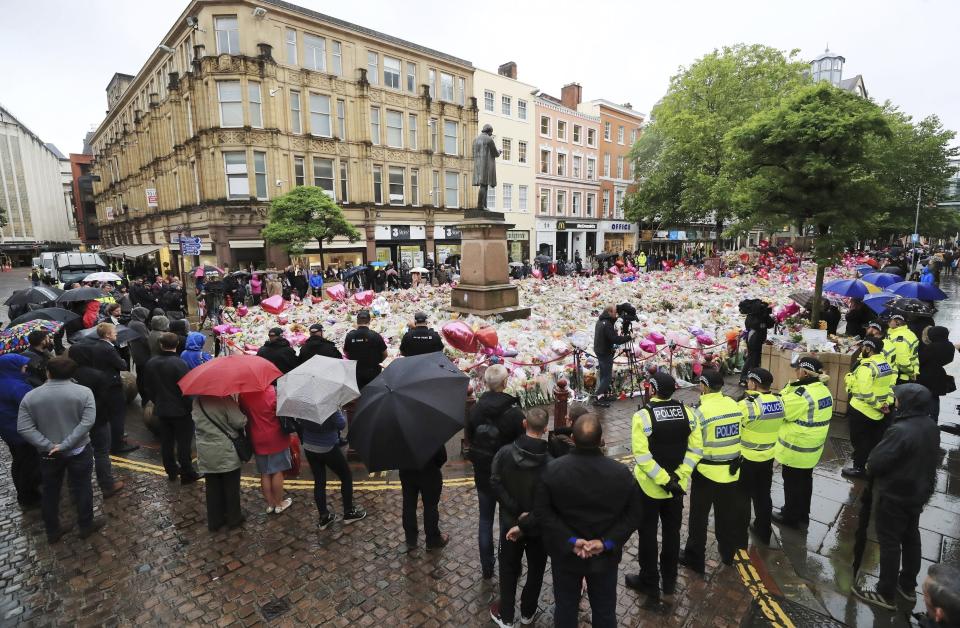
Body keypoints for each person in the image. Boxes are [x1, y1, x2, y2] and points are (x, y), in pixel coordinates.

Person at [535, 414, 641, 628]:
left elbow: (543, 514)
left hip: (566, 556)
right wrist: (606, 542)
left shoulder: (553, 470)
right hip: (604, 557)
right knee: (604, 611)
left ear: (572, 438)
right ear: (601, 440)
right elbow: (633, 516)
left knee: (565, 608)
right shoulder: (621, 473)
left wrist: (571, 540)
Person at [852, 384, 940, 611]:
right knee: (911, 536)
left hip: (895, 493)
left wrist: (870, 464)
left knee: (890, 542)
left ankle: (885, 592)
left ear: (908, 402)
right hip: (918, 492)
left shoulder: (900, 430)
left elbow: (876, 462)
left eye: (897, 398)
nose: (895, 401)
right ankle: (907, 586)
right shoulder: (930, 425)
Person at [624, 372, 702, 600]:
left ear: (652, 389)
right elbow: (696, 449)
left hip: (649, 487)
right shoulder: (689, 413)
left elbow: (642, 456)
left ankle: (649, 580)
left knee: (647, 534)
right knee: (672, 532)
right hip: (677, 488)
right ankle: (669, 580)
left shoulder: (642, 417)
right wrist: (678, 477)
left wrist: (664, 479)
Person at [17, 356, 102, 542]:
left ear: (48, 372)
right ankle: (86, 524)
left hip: (48, 454)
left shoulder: (31, 396)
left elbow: (24, 428)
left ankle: (52, 530)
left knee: (50, 490)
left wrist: (49, 446)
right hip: (78, 449)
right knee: (82, 487)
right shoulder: (84, 392)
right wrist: (66, 444)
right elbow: (87, 422)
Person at [488, 408, 551, 628]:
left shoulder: (504, 453)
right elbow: (549, 500)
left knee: (508, 569)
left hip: (510, 522)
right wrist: (529, 516)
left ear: (525, 424)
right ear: (545, 428)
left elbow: (495, 482)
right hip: (536, 527)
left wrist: (514, 511)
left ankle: (506, 616)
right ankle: (527, 611)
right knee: (535, 569)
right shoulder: (550, 462)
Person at [680, 370, 747, 573]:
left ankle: (694, 556)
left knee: (699, 517)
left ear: (704, 386)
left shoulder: (700, 411)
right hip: (731, 471)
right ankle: (727, 553)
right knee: (726, 514)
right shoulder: (734, 405)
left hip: (706, 473)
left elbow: (692, 443)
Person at [465, 364, 526, 579]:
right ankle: (508, 564)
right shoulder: (514, 413)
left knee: (485, 520)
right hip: (507, 475)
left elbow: (470, 437)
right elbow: (522, 443)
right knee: (506, 522)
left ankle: (487, 567)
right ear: (504, 383)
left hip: (483, 471)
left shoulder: (475, 409)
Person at [772, 356, 833, 528]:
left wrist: (790, 387)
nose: (795, 372)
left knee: (792, 484)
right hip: (812, 449)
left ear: (805, 372)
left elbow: (782, 409)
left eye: (797, 369)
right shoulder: (823, 390)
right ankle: (802, 514)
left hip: (796, 449)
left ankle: (790, 516)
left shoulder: (802, 394)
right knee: (805, 482)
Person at [68, 343, 124, 498]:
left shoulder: (66, 374)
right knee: (101, 453)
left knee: (73, 455)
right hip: (97, 421)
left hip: (73, 421)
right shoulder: (97, 375)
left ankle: (74, 490)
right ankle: (107, 485)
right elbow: (106, 400)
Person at [736, 368, 785, 546]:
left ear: (754, 384)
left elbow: (735, 428)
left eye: (749, 380)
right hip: (768, 457)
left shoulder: (747, 405)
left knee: (742, 497)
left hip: (746, 459)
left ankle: (739, 531)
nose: (747, 383)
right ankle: (763, 530)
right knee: (763, 494)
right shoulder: (780, 402)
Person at [143, 333, 198, 483]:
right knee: (183, 443)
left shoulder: (151, 363)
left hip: (162, 408)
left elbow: (148, 387)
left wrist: (157, 401)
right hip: (181, 411)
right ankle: (187, 473)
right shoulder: (179, 364)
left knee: (166, 443)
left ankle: (171, 471)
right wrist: (190, 407)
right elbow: (186, 390)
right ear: (177, 344)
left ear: (161, 344)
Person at [301, 409, 366, 529]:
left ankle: (324, 517)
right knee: (346, 475)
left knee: (319, 481)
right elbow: (341, 424)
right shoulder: (327, 404)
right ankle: (349, 512)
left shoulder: (303, 404)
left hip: (309, 446)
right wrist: (338, 411)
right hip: (327, 446)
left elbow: (300, 421)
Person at [842, 338, 896, 479]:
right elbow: (890, 387)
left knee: (860, 440)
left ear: (869, 349)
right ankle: (867, 462)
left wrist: (878, 405)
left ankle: (859, 468)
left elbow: (865, 392)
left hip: (861, 409)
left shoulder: (867, 367)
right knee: (872, 439)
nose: (861, 349)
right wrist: (885, 404)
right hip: (878, 411)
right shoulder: (885, 364)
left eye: (863, 347)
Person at [193, 394, 247, 531]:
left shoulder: (197, 401)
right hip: (225, 449)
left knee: (212, 486)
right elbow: (239, 421)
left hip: (205, 451)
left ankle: (215, 520)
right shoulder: (224, 400)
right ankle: (234, 518)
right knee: (231, 485)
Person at [238, 386, 292, 514]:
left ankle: (270, 504)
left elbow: (243, 414)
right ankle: (279, 504)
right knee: (277, 471)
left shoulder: (244, 395)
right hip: (276, 437)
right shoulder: (273, 392)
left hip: (257, 437)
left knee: (265, 472)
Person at [88, 323, 139, 454]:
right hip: (113, 385)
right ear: (107, 335)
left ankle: (114, 438)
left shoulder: (97, 346)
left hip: (104, 384)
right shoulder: (109, 349)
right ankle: (118, 444)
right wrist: (122, 359)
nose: (116, 333)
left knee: (110, 414)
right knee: (118, 416)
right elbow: (122, 365)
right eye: (114, 331)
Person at [0, 354, 41, 509]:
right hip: (23, 432)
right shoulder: (17, 386)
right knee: (29, 463)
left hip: (8, 430)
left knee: (19, 461)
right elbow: (34, 407)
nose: (25, 369)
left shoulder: (6, 381)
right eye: (22, 366)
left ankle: (23, 493)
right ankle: (28, 497)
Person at [399, 443, 449, 551]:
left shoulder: (398, 431)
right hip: (429, 471)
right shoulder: (430, 429)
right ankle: (432, 540)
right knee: (430, 506)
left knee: (408, 504)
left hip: (407, 471)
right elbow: (442, 456)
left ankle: (410, 539)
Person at [593, 304, 630, 407]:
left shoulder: (601, 321)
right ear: (609, 312)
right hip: (605, 352)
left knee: (604, 375)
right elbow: (615, 339)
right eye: (614, 312)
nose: (616, 314)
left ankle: (603, 395)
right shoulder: (607, 324)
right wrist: (628, 337)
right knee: (607, 377)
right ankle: (598, 397)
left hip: (599, 350)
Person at [917, 326, 955, 420]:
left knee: (925, 397)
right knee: (935, 398)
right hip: (939, 375)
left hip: (927, 376)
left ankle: (925, 418)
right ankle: (934, 418)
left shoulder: (932, 347)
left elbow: (920, 360)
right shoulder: (950, 346)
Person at [343, 310, 387, 389]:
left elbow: (346, 353)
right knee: (372, 394)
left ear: (357, 321)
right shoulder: (375, 336)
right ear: (369, 321)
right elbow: (385, 354)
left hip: (356, 372)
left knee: (358, 394)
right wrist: (377, 361)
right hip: (373, 372)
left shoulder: (350, 336)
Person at [127, 307, 152, 406]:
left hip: (137, 352)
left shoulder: (132, 322)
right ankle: (146, 399)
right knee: (143, 377)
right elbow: (146, 339)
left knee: (141, 375)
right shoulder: (139, 324)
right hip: (143, 354)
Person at [885, 314, 920, 383]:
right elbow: (914, 356)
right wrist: (915, 370)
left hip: (900, 377)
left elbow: (902, 360)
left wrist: (911, 373)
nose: (888, 322)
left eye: (890, 320)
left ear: (897, 322)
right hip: (906, 376)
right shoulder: (910, 333)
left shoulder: (898, 337)